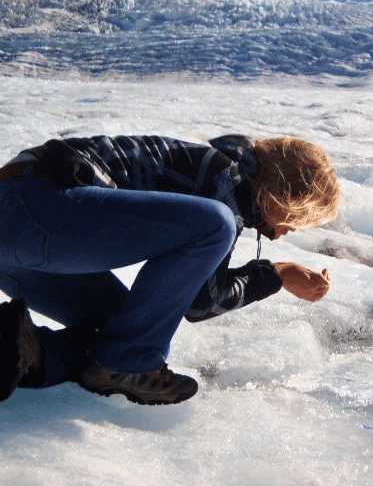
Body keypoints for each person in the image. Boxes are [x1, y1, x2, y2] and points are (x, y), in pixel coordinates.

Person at [0, 134, 340, 406]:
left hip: (22, 229)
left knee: (121, 335)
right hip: (34, 208)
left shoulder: (220, 173)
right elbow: (203, 301)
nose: (286, 232)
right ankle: (125, 363)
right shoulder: (227, 180)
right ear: (286, 196)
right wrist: (276, 275)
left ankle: (23, 352)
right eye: (295, 221)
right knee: (215, 227)